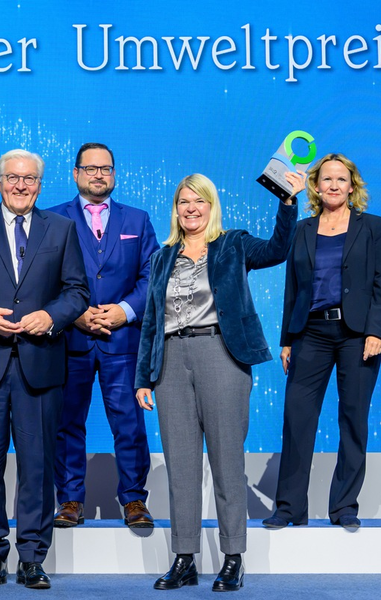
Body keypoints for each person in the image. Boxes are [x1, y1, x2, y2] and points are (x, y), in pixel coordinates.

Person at [135, 172, 302, 591]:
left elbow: (278, 250)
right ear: (175, 209)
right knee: (181, 465)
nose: (191, 208)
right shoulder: (162, 256)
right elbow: (152, 321)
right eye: (183, 202)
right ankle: (184, 557)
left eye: (199, 202)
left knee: (227, 461)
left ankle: (232, 558)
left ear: (212, 207)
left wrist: (287, 203)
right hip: (171, 361)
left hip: (221, 355)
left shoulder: (233, 243)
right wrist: (143, 378)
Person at [0, 149, 88, 590]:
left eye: (29, 179)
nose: (20, 186)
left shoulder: (61, 229)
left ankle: (31, 558)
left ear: (40, 185)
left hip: (39, 366)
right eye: (12, 178)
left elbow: (77, 291)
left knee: (37, 467)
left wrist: (53, 316)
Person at [263, 154, 381, 531]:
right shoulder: (302, 229)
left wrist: (376, 330)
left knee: (353, 419)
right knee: (297, 419)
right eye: (326, 179)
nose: (333, 185)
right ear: (315, 186)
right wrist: (287, 339)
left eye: (341, 179)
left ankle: (344, 506)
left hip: (357, 335)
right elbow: (292, 288)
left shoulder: (374, 228)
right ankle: (289, 508)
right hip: (309, 333)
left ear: (352, 186)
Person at [48, 143, 159, 529]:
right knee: (66, 423)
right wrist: (74, 313)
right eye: (91, 168)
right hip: (69, 341)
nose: (99, 175)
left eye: (106, 168)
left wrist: (124, 311)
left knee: (129, 423)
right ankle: (70, 500)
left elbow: (152, 276)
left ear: (114, 174)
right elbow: (41, 279)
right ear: (75, 173)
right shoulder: (50, 219)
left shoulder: (138, 220)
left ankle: (133, 500)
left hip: (123, 341)